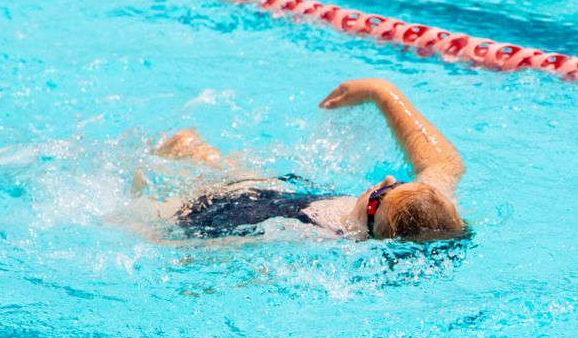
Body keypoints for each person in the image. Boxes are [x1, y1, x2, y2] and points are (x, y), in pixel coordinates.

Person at [130, 78, 466, 242]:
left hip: (220, 211)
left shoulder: (317, 239)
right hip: (291, 195)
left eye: (382, 193)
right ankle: (199, 156)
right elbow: (444, 161)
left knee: (140, 217)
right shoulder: (429, 217)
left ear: (371, 211)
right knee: (240, 176)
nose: (389, 180)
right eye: (403, 183)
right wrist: (381, 91)